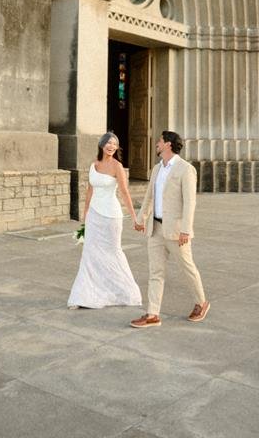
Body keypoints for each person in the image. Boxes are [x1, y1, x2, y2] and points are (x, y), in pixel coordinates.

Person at [130, 130, 209, 328]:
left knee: (186, 267)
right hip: (155, 229)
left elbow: (190, 202)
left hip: (176, 231)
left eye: (159, 141)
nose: (156, 143)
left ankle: (201, 302)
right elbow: (149, 196)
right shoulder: (157, 168)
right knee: (155, 272)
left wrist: (186, 230)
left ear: (168, 144)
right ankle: (152, 314)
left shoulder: (186, 169)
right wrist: (141, 219)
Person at [67, 132, 142, 309]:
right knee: (90, 254)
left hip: (111, 217)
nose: (111, 146)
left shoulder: (117, 166)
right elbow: (90, 190)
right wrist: (85, 213)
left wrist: (134, 217)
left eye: (115, 144)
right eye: (109, 142)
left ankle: (126, 292)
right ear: (102, 144)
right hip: (94, 215)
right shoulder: (94, 164)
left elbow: (124, 192)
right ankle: (83, 296)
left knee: (113, 252)